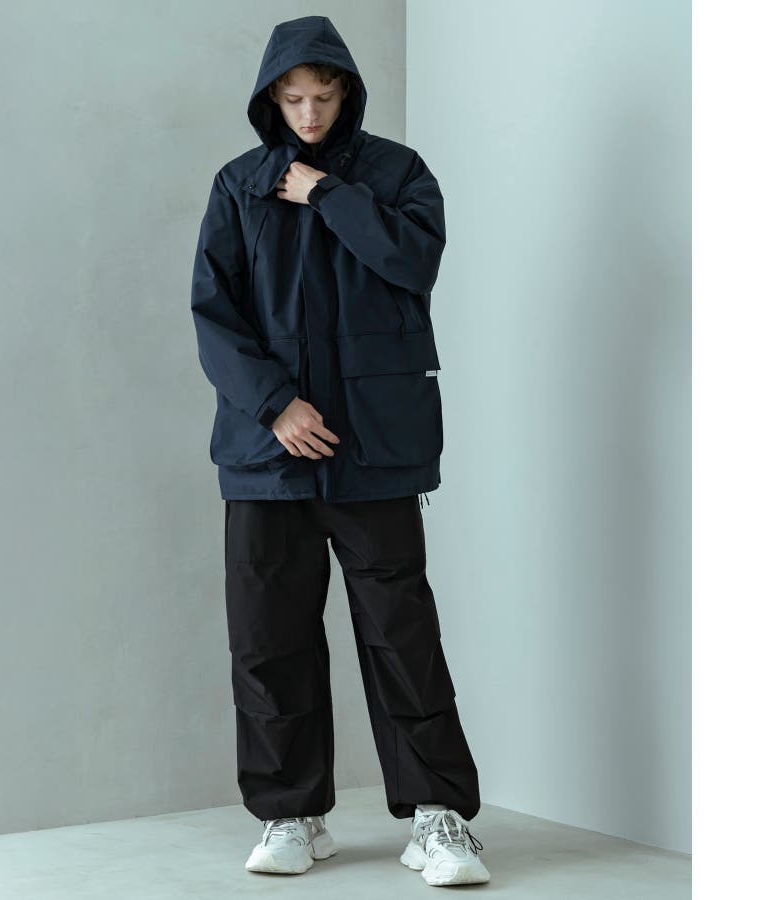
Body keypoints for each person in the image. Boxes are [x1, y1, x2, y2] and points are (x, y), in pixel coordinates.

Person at [190, 15, 491, 888]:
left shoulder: (397, 174)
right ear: (270, 99)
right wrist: (275, 406)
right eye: (293, 99)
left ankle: (437, 816)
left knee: (402, 634)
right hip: (268, 453)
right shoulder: (239, 185)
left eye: (323, 97)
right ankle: (290, 814)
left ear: (347, 93)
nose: (310, 114)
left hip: (374, 446)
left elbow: (414, 263)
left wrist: (327, 194)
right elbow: (213, 312)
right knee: (268, 639)